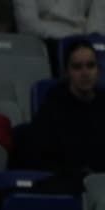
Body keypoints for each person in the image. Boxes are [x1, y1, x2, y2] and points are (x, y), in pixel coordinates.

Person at [24, 39, 105, 185]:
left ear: (98, 70)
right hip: (65, 181)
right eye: (77, 67)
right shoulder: (54, 104)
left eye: (90, 65)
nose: (85, 73)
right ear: (67, 72)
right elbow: (42, 155)